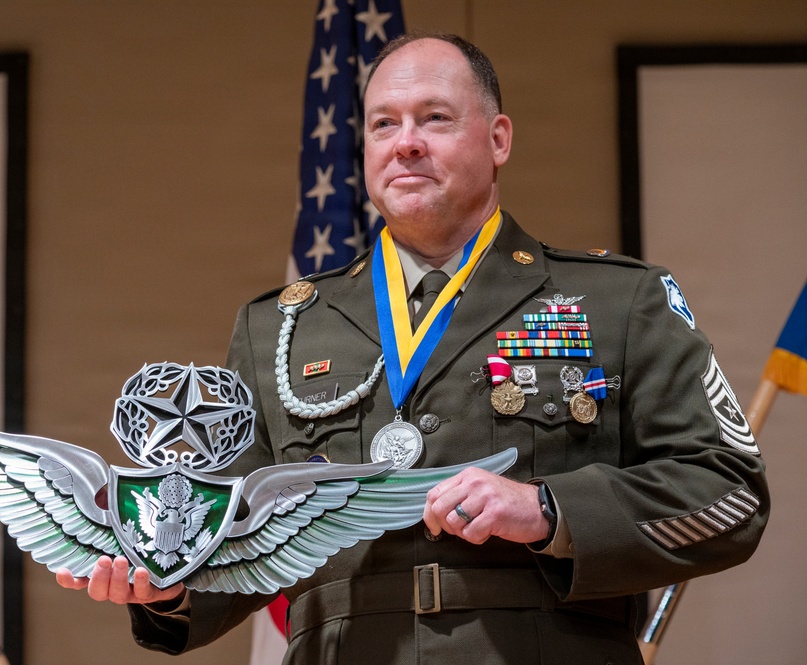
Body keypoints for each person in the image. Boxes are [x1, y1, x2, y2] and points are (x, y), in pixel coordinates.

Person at [57, 33, 768, 664]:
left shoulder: (616, 299)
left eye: (433, 118)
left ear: (497, 139)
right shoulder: (277, 325)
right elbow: (234, 537)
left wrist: (550, 509)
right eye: (382, 124)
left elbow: (729, 494)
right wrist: (164, 581)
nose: (406, 143)